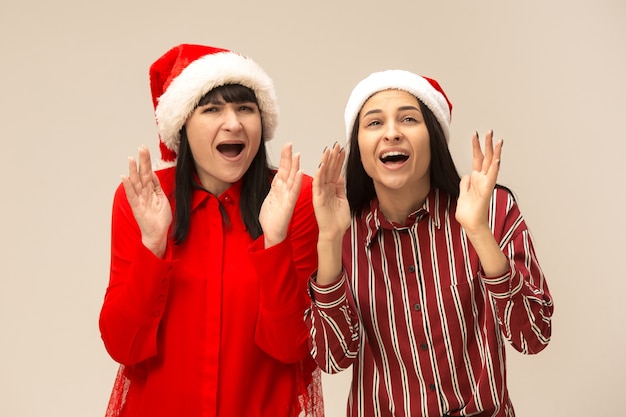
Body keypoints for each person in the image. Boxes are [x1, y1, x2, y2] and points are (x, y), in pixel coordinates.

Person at [306, 70, 554, 417]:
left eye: (408, 118)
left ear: (433, 137)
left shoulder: (492, 210)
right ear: (359, 147)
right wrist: (330, 241)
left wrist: (479, 232)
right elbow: (333, 358)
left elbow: (534, 336)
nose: (392, 132)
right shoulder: (340, 229)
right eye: (374, 123)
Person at [99, 43, 324, 417]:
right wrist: (153, 245)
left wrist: (275, 242)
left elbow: (293, 349)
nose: (233, 123)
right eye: (212, 109)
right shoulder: (143, 199)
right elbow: (123, 346)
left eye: (245, 108)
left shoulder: (295, 199)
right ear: (183, 126)